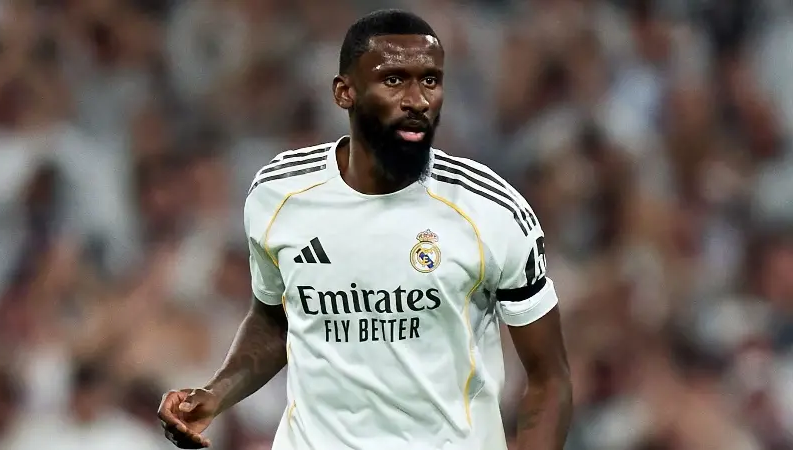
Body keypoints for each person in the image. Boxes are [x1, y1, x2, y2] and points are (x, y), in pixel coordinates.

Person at [158, 9, 572, 450]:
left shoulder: (491, 210)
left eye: (430, 80)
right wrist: (217, 393)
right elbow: (276, 318)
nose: (417, 99)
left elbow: (550, 380)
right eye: (394, 80)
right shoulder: (278, 195)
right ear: (344, 92)